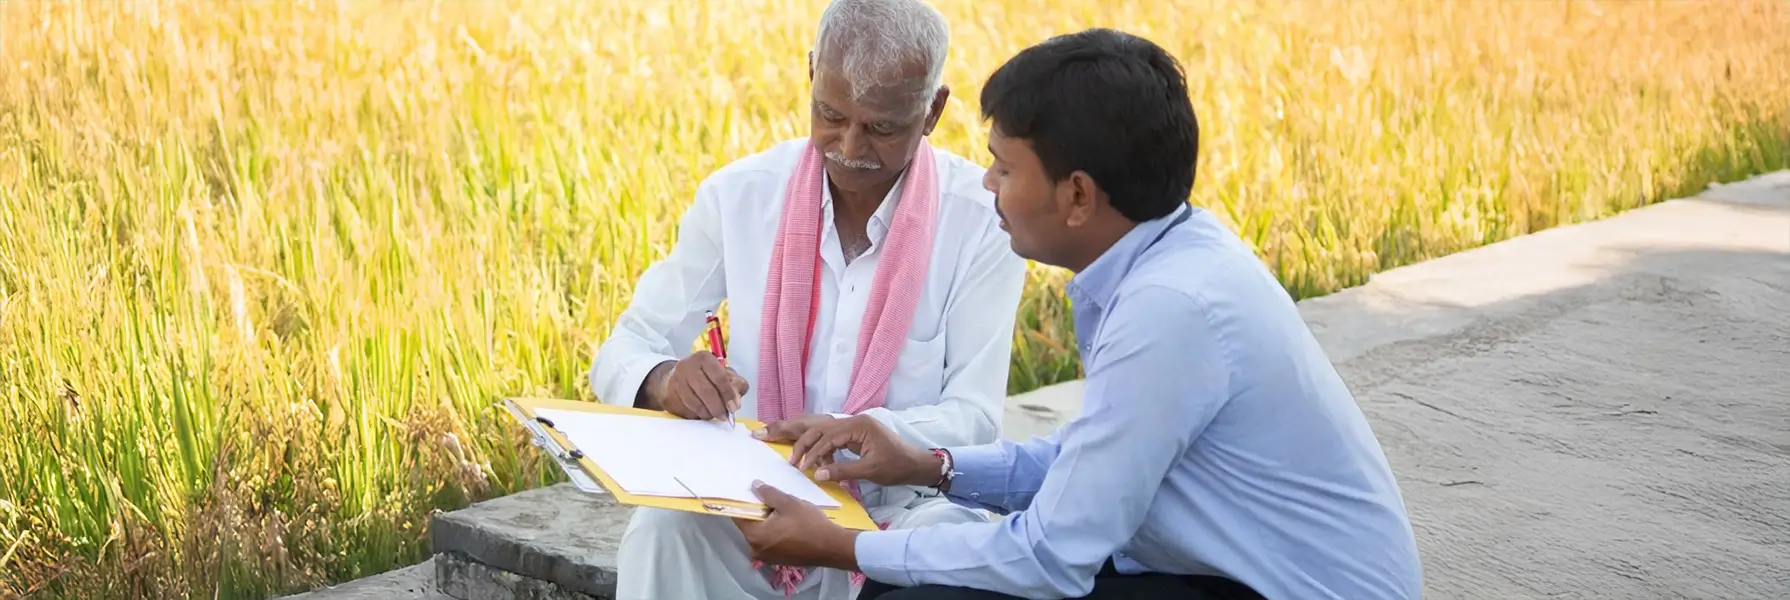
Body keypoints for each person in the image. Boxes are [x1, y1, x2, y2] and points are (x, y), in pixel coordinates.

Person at [732, 28, 1426, 600]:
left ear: (1078, 196)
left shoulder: (1168, 310)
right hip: (1228, 572)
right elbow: (1089, 461)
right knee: (916, 580)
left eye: (1005, 168)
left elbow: (1051, 556)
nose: (988, 185)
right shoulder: (1169, 254)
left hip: (1283, 590)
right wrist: (929, 466)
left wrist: (844, 544)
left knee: (920, 592)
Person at [585, 0, 1029, 598]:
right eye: (830, 114)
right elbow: (626, 347)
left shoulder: (981, 225)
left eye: (882, 127)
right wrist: (663, 378)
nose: (849, 145)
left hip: (902, 508)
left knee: (949, 557)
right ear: (811, 71)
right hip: (757, 495)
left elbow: (974, 418)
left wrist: (861, 431)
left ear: (933, 112)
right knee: (665, 532)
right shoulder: (740, 197)